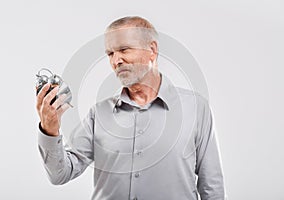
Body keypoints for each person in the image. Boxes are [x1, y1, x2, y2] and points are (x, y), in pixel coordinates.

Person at [36, 16, 226, 200]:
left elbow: (212, 186)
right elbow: (60, 174)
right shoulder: (99, 113)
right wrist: (50, 130)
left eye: (124, 49)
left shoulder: (195, 108)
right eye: (110, 54)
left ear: (152, 49)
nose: (116, 60)